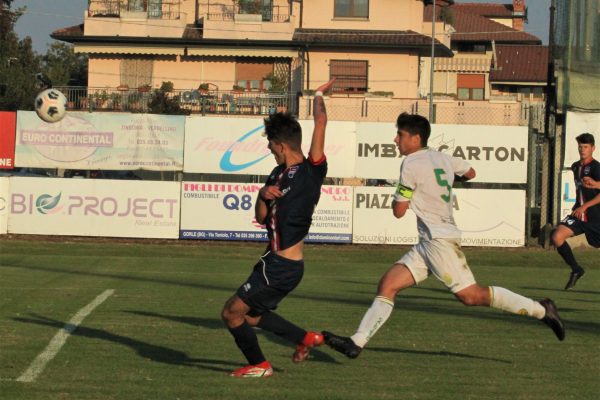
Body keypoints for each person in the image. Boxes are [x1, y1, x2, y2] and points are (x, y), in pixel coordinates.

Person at [323, 113, 565, 359]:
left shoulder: (411, 163)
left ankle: (541, 310)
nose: (396, 140)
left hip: (438, 241)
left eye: (401, 135)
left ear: (416, 138)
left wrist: (402, 193)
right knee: (388, 285)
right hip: (429, 242)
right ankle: (356, 342)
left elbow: (398, 211)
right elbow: (470, 172)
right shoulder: (443, 157)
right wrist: (444, 180)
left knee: (471, 296)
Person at [221, 79, 336, 378]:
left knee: (232, 313)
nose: (269, 149)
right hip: (275, 261)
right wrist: (263, 194)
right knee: (254, 316)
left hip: (281, 265)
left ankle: (260, 365)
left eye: (271, 144)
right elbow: (261, 218)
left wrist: (319, 94)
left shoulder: (312, 169)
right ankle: (305, 338)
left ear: (281, 145)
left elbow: (321, 120)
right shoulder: (275, 173)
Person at [551, 132, 600, 290]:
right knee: (557, 236)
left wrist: (586, 203)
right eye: (580, 146)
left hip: (596, 216)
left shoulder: (596, 167)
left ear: (593, 148)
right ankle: (576, 270)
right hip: (578, 214)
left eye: (585, 147)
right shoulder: (575, 166)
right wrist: (580, 206)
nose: (582, 149)